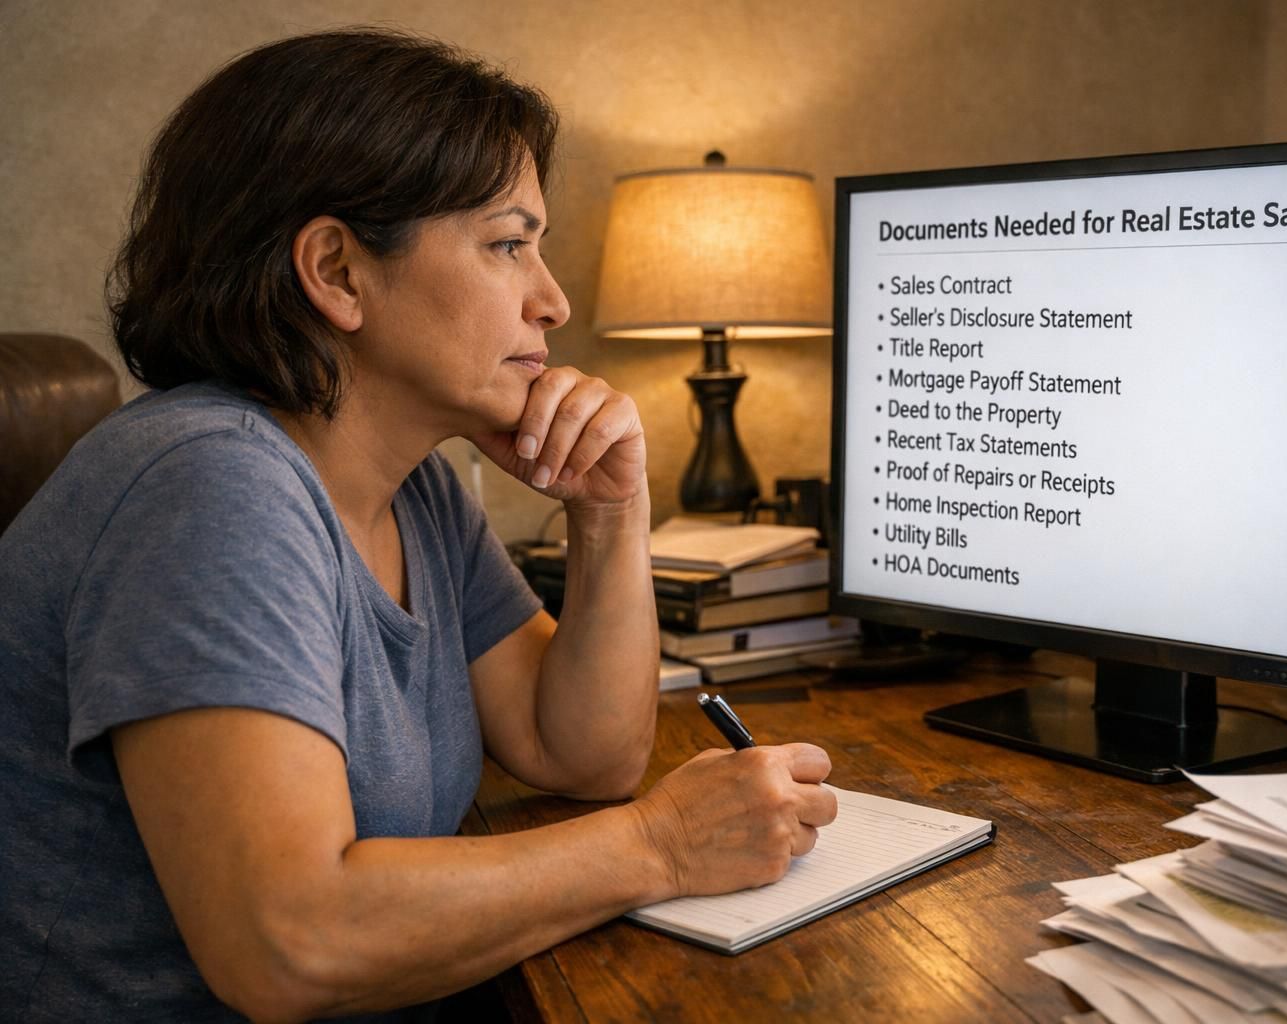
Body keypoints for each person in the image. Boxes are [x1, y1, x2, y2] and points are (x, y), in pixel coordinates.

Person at [0, 27, 837, 1022]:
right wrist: (661, 845)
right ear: (338, 272)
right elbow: (289, 942)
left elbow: (583, 752)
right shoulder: (207, 491)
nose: (553, 299)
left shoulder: (412, 485)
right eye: (508, 244)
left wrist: (608, 509)